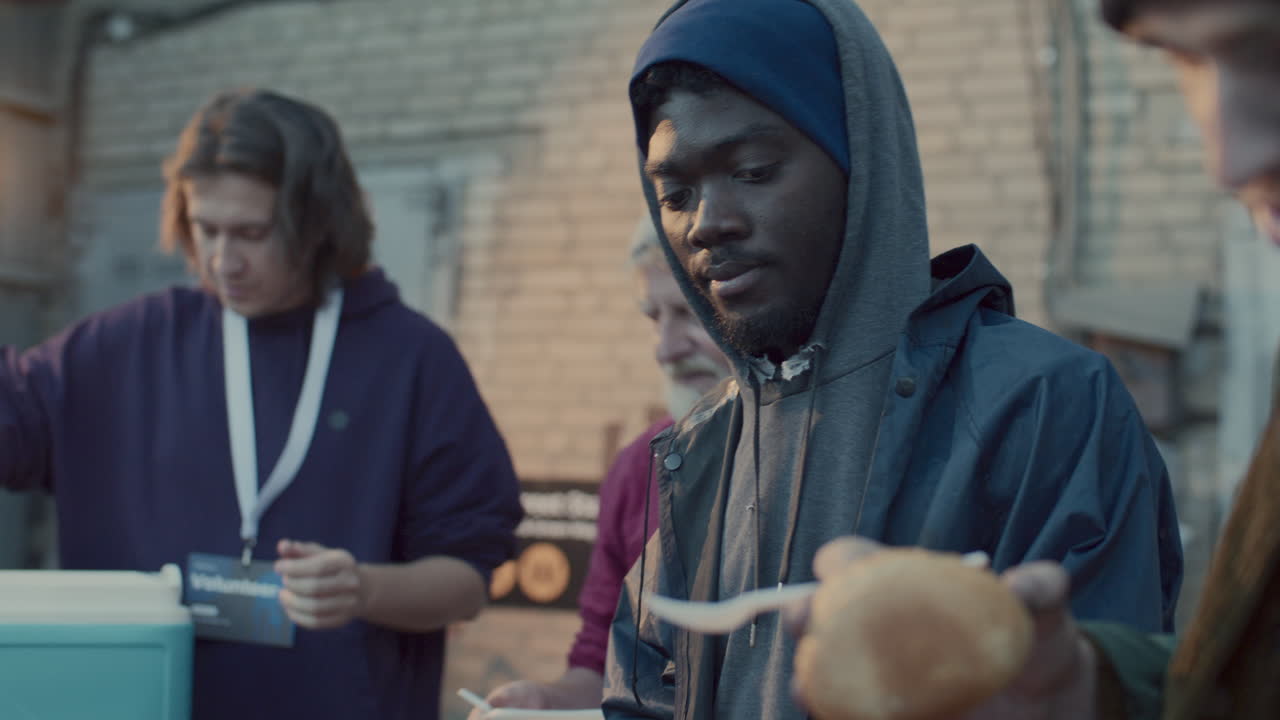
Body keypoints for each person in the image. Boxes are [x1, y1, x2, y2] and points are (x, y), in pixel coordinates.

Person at [602, 1, 1185, 718]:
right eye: (675, 193)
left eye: (753, 170)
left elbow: (1098, 687)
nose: (707, 222)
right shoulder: (701, 451)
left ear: (861, 162)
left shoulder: (1044, 403)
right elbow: (641, 695)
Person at [789, 1, 1280, 719]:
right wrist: (1090, 690)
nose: (1227, 160)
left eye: (1268, 52)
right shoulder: (692, 449)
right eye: (1184, 61)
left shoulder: (1054, 393)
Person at [0, 89, 523, 720]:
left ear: (318, 220)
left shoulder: (412, 360)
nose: (224, 260)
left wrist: (363, 588)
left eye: (251, 232)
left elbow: (466, 581)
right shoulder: (126, 345)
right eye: (205, 228)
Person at [469, 220, 732, 717]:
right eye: (655, 319)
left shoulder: (819, 456)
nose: (665, 348)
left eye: (689, 313)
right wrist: (546, 702)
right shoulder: (639, 468)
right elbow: (600, 661)